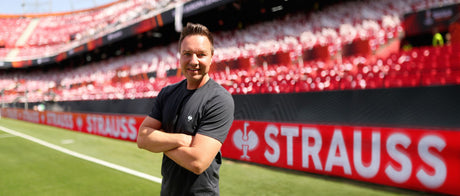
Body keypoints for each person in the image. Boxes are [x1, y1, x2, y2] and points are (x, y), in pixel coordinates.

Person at [137, 23, 235, 195]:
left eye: (201, 55)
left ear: (212, 57)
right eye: (187, 54)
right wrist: (182, 139)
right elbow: (142, 138)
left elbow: (197, 162)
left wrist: (159, 143)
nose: (193, 61)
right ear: (180, 57)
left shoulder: (219, 99)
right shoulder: (167, 93)